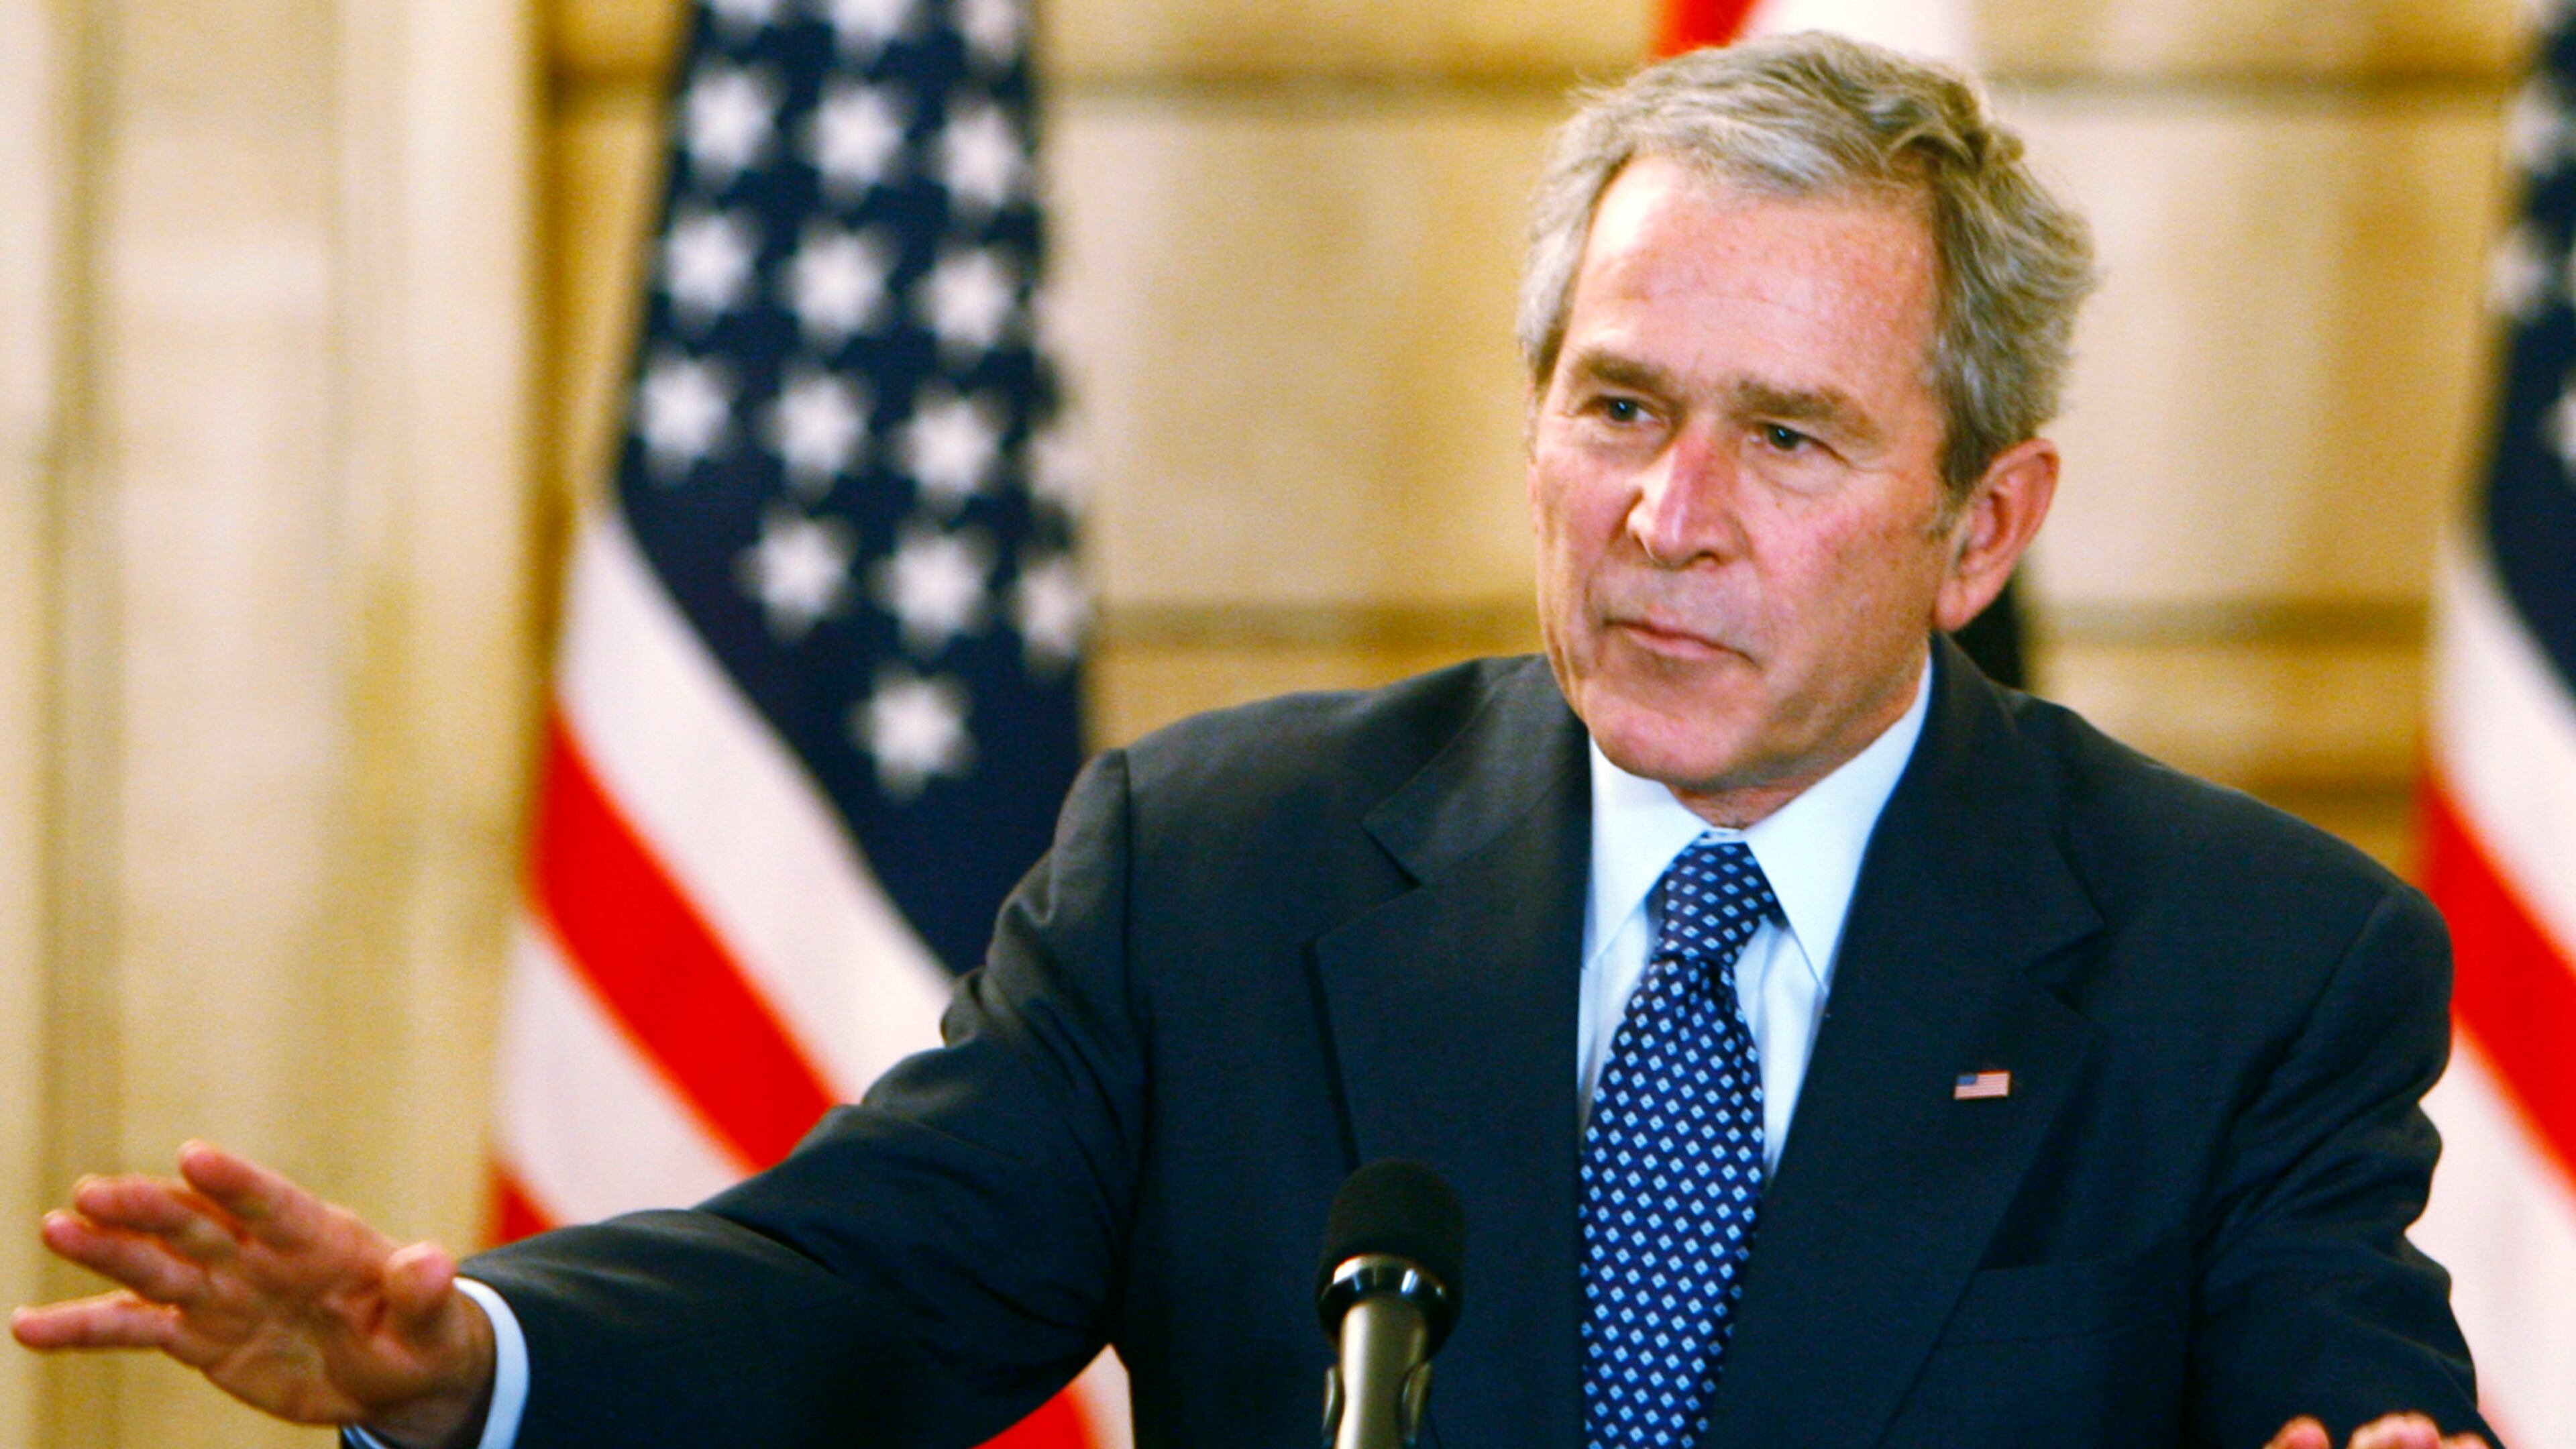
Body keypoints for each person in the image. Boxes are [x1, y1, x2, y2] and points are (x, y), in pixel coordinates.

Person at [14, 34, 2496, 1449]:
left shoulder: (2243, 963)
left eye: (1792, 441)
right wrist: (474, 1360)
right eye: (1616, 403)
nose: (1665, 512)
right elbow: (854, 1286)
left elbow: (2340, 1374)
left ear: (1986, 527)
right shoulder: (1226, 871)